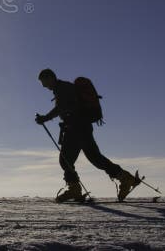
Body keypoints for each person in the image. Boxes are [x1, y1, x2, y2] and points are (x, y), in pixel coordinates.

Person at [35, 68, 140, 202]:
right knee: (95, 158)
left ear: (50, 77)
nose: (44, 86)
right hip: (81, 128)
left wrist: (45, 118)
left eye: (43, 82)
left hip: (76, 128)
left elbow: (61, 108)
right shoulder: (63, 88)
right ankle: (126, 178)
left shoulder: (63, 88)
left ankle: (75, 190)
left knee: (66, 160)